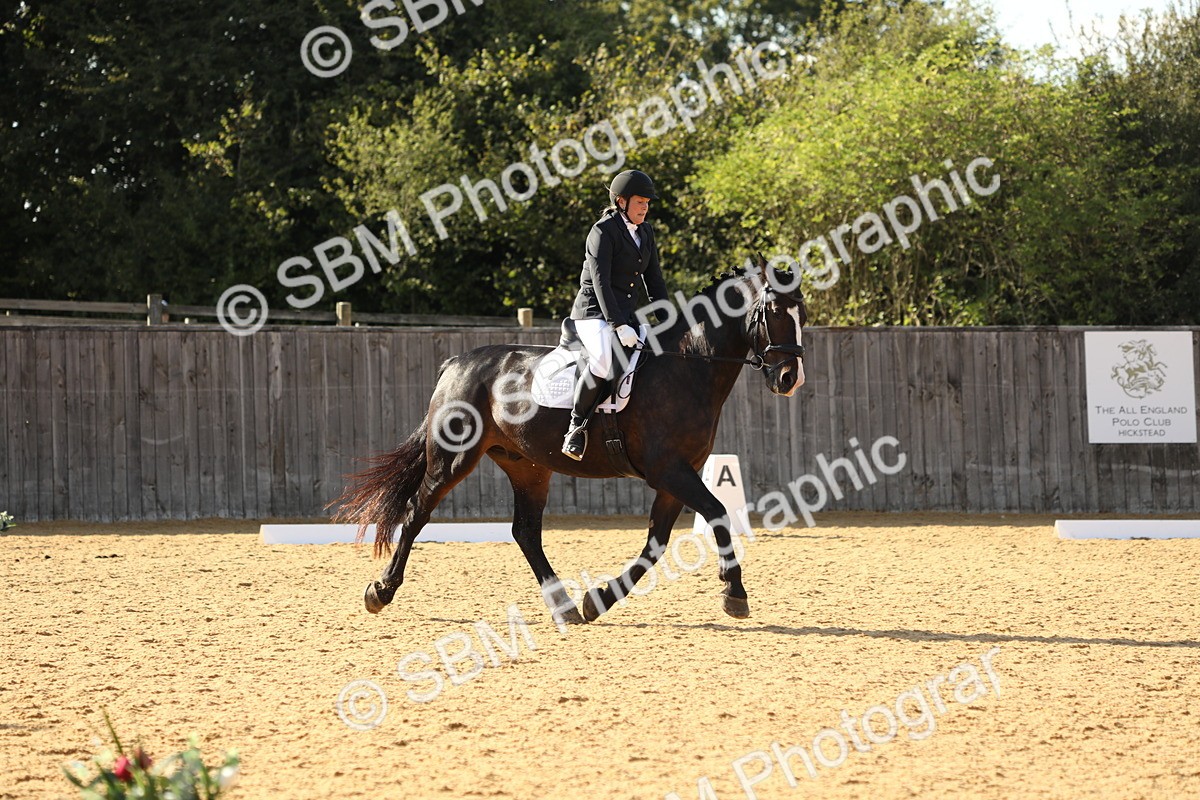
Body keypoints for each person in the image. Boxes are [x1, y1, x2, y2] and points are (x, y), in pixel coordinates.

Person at [562, 169, 669, 460]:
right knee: (602, 360)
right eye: (639, 202)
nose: (645, 208)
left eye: (647, 203)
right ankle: (576, 426)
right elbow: (601, 283)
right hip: (593, 313)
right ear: (621, 201)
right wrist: (618, 324)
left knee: (654, 354)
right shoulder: (602, 231)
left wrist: (670, 318)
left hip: (624, 314)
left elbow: (654, 279)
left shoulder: (645, 231)